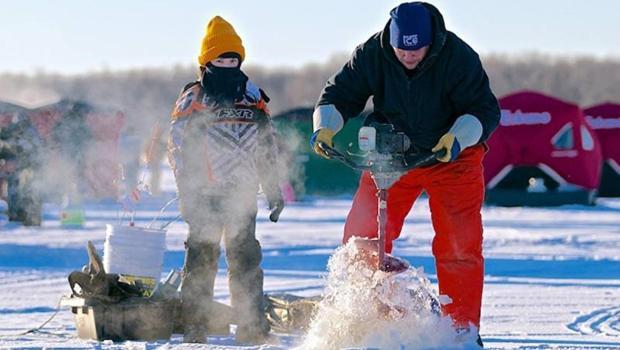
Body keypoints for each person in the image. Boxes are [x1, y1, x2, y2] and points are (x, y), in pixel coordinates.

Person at [310, 2, 500, 346]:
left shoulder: (458, 57)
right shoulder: (372, 52)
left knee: (459, 244)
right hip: (393, 158)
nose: (408, 56)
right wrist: (326, 127)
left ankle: (461, 333)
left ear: (432, 41)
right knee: (362, 235)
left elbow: (485, 109)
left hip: (453, 157)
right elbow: (339, 94)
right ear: (390, 40)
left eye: (417, 49)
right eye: (401, 49)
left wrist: (457, 137)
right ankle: (370, 321)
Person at [167, 16, 284, 344]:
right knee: (201, 264)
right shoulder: (194, 98)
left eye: (233, 59)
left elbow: (268, 147)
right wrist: (185, 191)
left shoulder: (253, 96)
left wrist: (274, 189)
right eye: (221, 59)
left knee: (246, 263)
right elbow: (177, 147)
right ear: (206, 62)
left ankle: (251, 328)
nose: (228, 65)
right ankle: (195, 328)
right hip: (204, 194)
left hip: (243, 195)